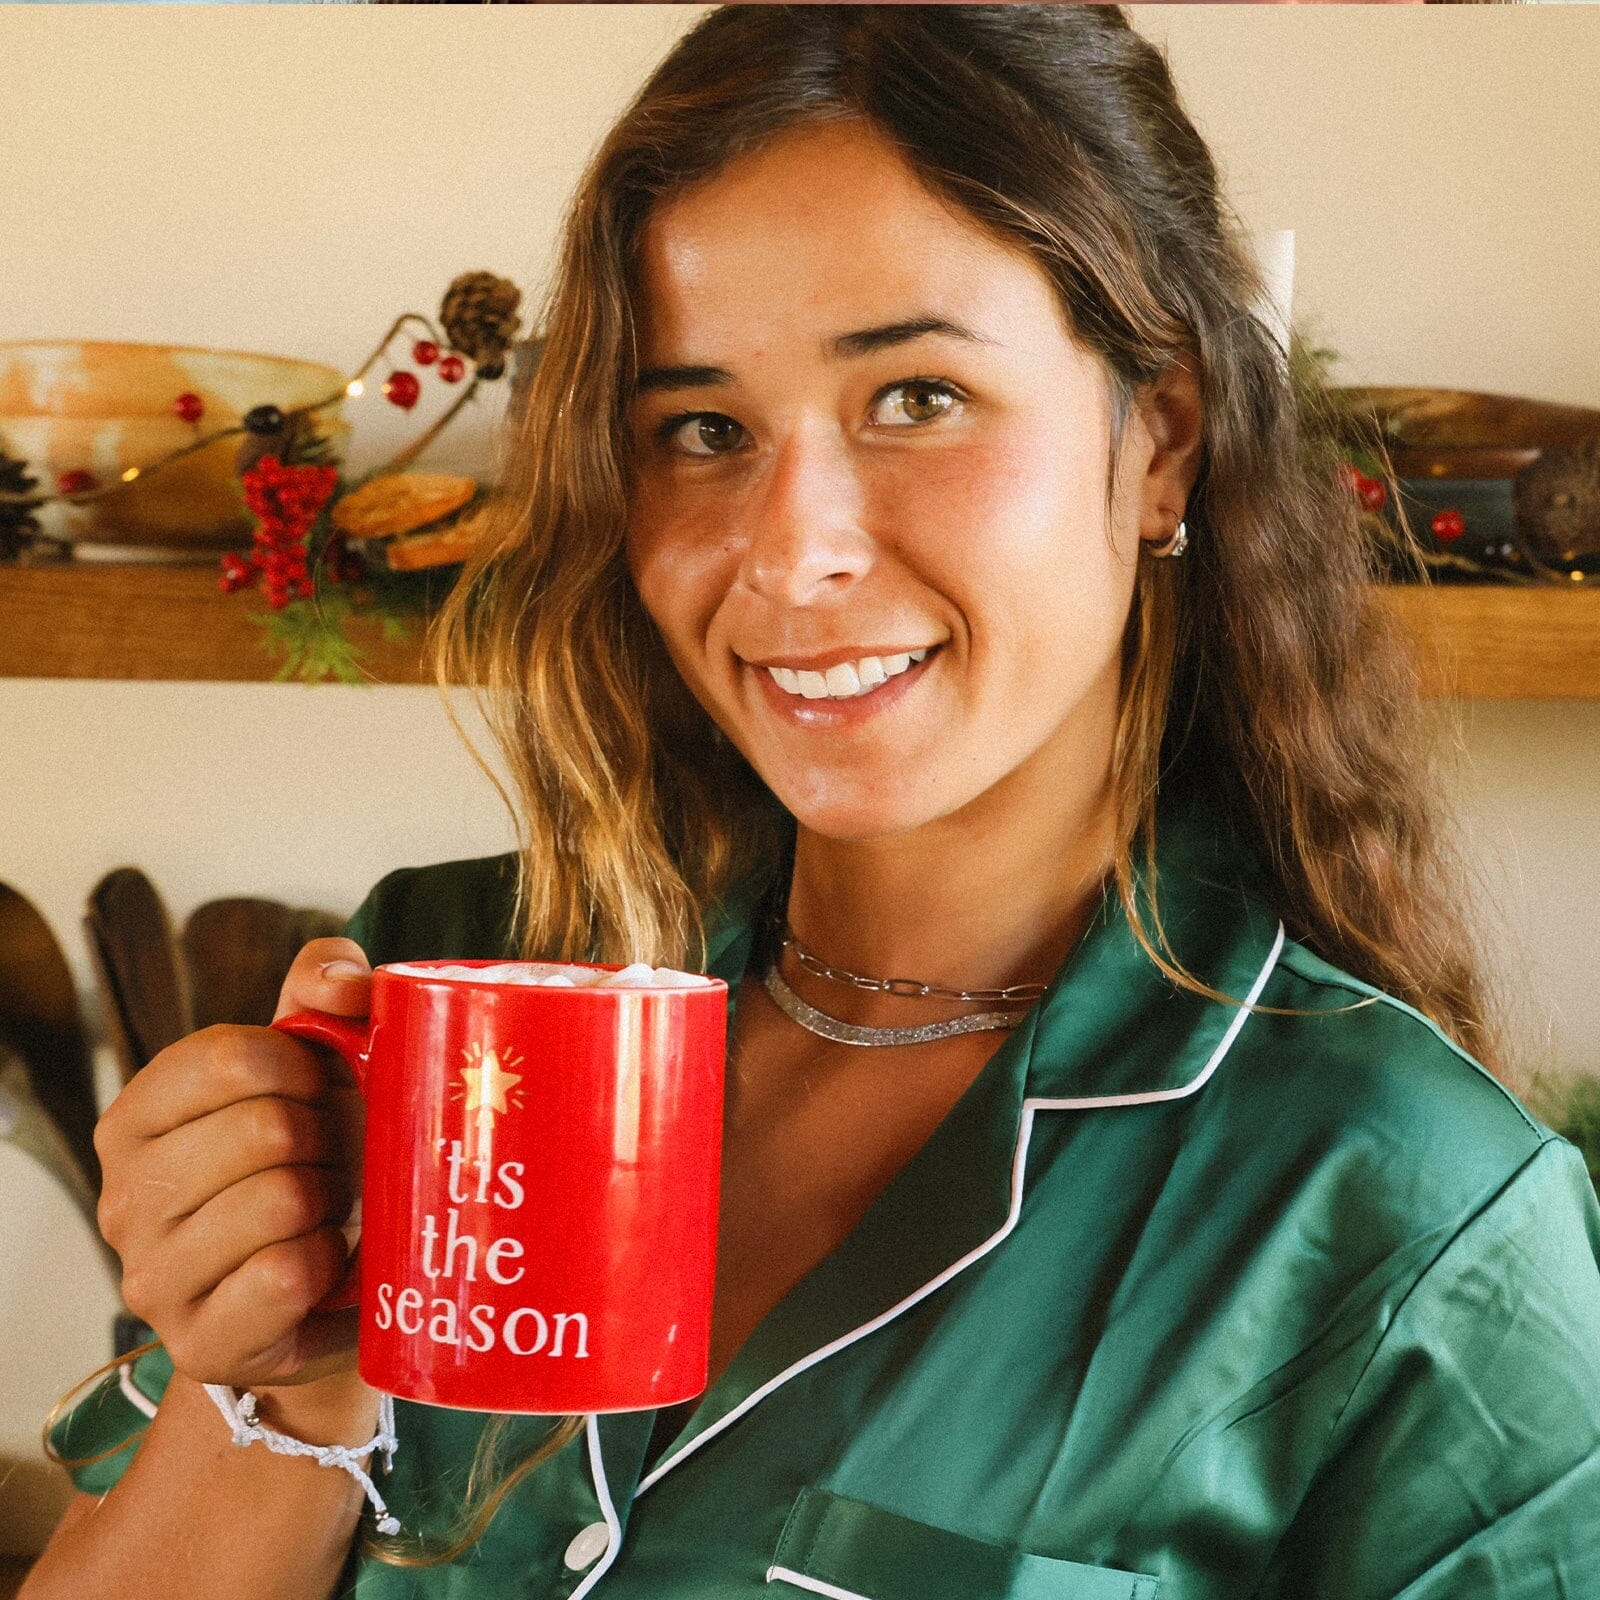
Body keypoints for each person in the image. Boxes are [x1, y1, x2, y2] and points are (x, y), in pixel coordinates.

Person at [27, 7, 1600, 1599]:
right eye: (703, 430)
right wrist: (288, 1384)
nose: (792, 553)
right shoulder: (440, 994)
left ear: (1162, 446)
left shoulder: (1415, 1218)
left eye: (917, 398)